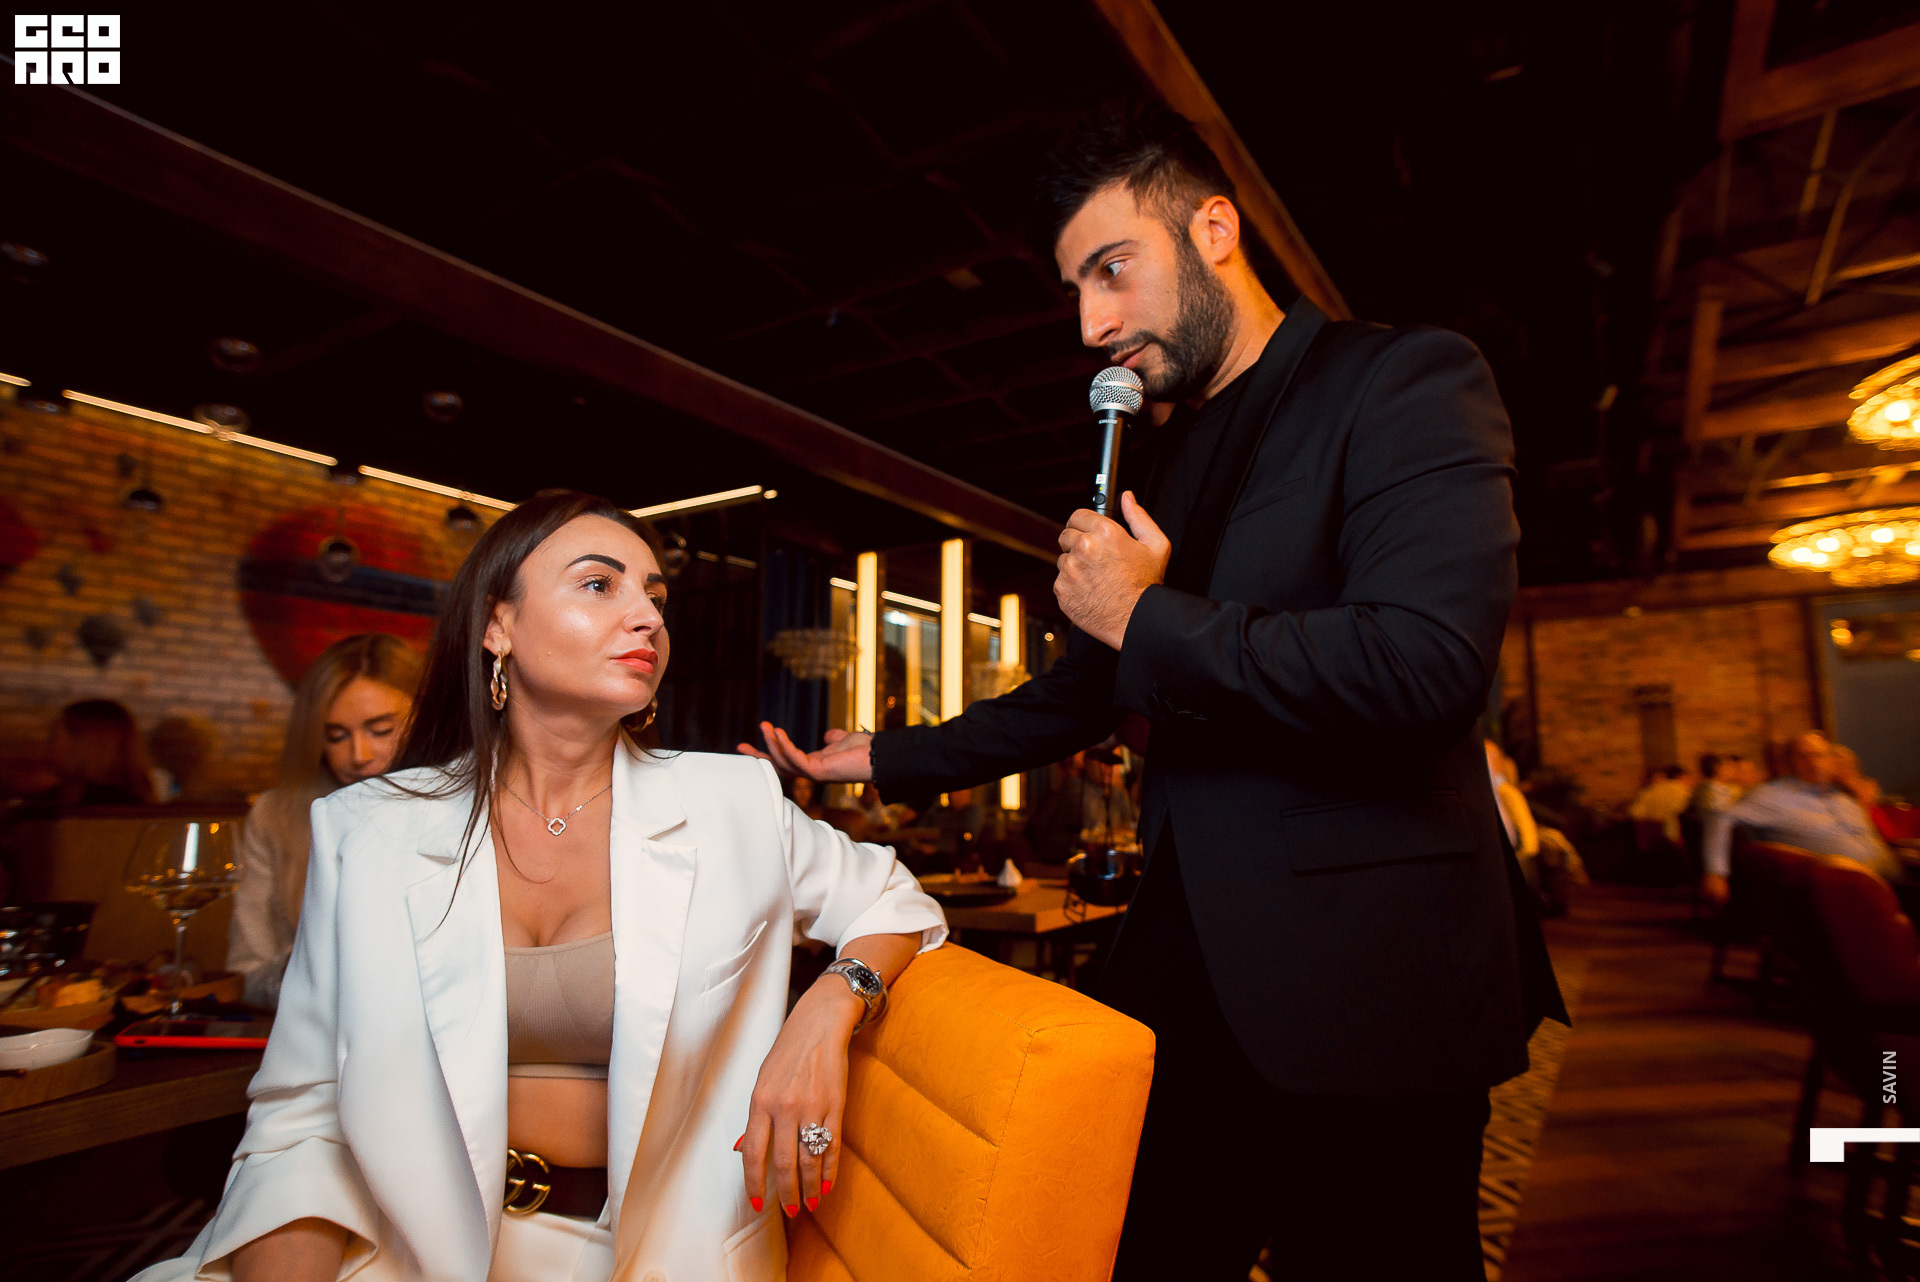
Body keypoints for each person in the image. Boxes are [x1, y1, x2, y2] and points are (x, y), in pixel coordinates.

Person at [745, 102, 1563, 1280]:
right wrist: (885, 755)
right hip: (1186, 973)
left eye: (1113, 268)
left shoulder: (1401, 380)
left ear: (1214, 230)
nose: (1092, 323)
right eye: (1076, 288)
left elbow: (1423, 666)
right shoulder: (1167, 458)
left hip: (1374, 981)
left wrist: (1144, 612)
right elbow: (1086, 687)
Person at [136, 492, 945, 1282]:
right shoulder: (365, 829)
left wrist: (824, 1013)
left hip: (656, 1252)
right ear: (499, 626)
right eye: (599, 585)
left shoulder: (731, 800)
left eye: (655, 597)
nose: (647, 617)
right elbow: (303, 1111)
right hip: (397, 1246)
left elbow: (895, 899)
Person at [227, 633, 423, 1009]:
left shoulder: (471, 809)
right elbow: (247, 973)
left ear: (427, 719)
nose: (359, 755)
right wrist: (322, 965)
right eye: (335, 736)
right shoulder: (276, 816)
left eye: (381, 730)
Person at [1701, 731, 1895, 903]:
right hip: (1843, 893)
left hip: (1891, 878)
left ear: (1830, 760)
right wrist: (1716, 872)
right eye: (1803, 756)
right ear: (1791, 762)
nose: (1813, 762)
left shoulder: (1843, 797)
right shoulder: (1773, 795)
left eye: (1819, 755)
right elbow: (1722, 818)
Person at [39, 699, 155, 806]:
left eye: (54, 737)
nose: (47, 747)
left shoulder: (69, 806)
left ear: (83, 745)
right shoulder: (138, 802)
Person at [1628, 764, 1694, 847]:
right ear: (1681, 776)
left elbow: (1634, 814)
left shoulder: (1647, 792)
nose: (1691, 782)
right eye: (1689, 778)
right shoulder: (1683, 791)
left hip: (1650, 842)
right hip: (1676, 839)